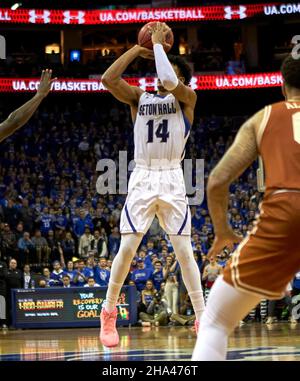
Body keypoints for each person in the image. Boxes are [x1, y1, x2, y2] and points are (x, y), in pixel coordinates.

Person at [100, 22, 205, 348]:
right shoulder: (138, 98)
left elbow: (173, 81)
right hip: (144, 175)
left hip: (173, 176)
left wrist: (159, 46)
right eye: (159, 71)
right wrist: (139, 48)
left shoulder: (187, 98)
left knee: (184, 253)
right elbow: (108, 80)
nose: (161, 77)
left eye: (167, 72)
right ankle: (108, 311)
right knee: (128, 248)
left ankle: (203, 317)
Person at [192, 55, 300, 361]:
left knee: (215, 322)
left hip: (285, 212)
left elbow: (216, 182)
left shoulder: (264, 118)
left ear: (282, 86)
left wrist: (223, 230)